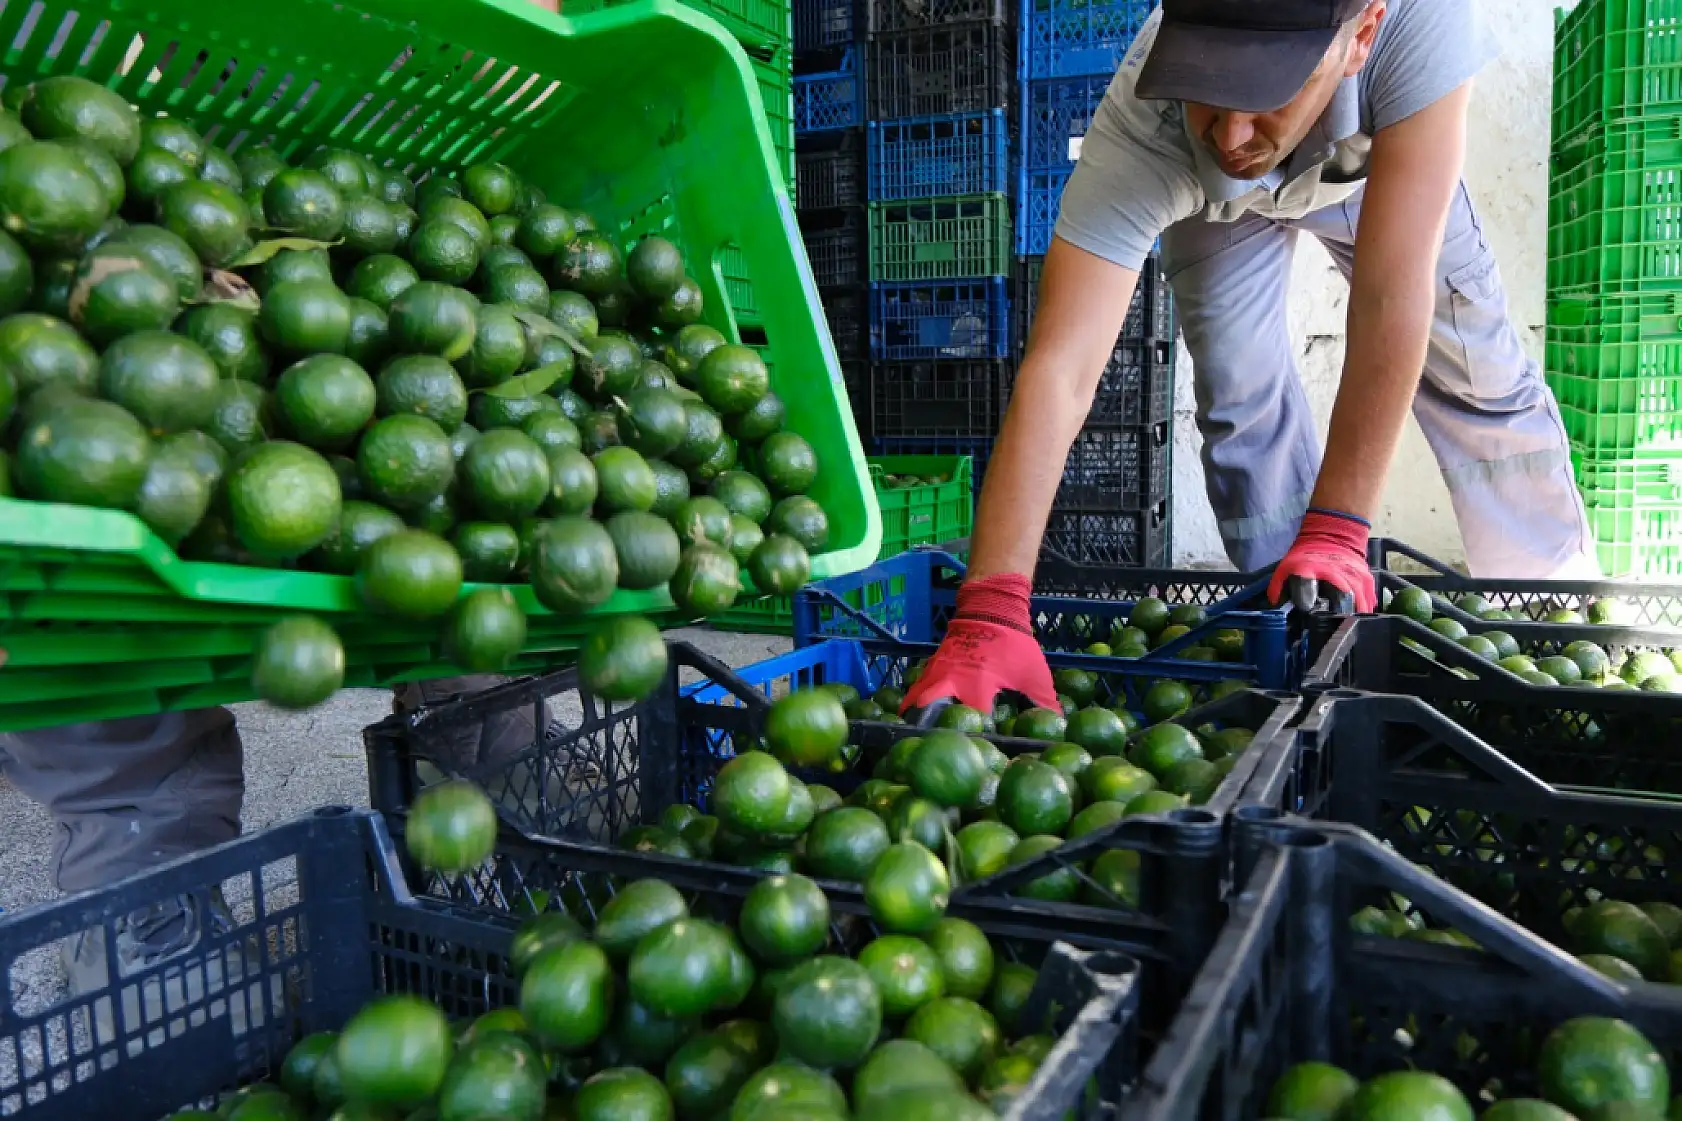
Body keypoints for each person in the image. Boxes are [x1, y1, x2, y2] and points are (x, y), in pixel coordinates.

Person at [1, 0, 563, 1016]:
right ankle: (145, 886)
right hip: (105, 95)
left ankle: (491, 765)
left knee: (463, 536)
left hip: (342, 126)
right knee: (85, 556)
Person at [901, 0, 1597, 716]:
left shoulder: (1421, 23)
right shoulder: (1152, 121)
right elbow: (1060, 369)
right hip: (1214, 203)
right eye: (1209, 82)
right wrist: (989, 606)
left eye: (1264, 88)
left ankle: (1551, 625)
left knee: (1472, 364)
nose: (1231, 133)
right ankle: (1296, 638)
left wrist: (1339, 524)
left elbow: (1391, 297)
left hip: (1372, 161)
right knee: (1237, 392)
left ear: (1358, 37)